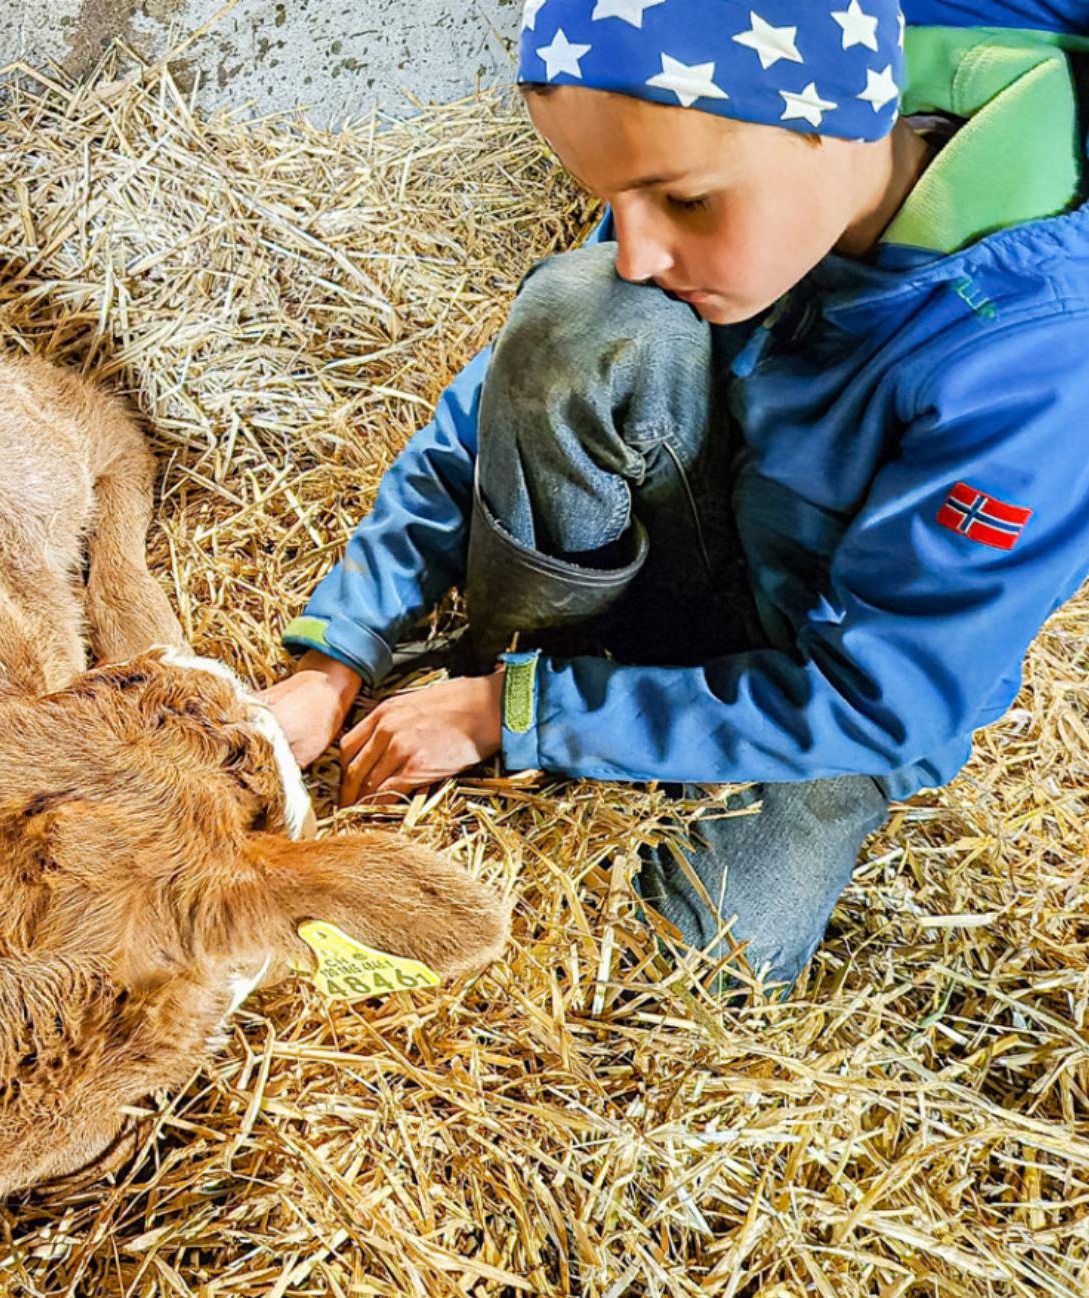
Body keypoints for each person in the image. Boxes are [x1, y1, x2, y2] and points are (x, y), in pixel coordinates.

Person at [262, 0, 1089, 986]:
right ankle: (527, 656)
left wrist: (512, 714)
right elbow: (488, 405)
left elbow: (877, 701)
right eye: (615, 197)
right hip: (707, 533)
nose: (639, 252)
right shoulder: (723, 146)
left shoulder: (1036, 367)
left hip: (820, 698)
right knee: (580, 314)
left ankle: (538, 705)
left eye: (681, 202)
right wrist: (338, 650)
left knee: (698, 969)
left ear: (838, 127)